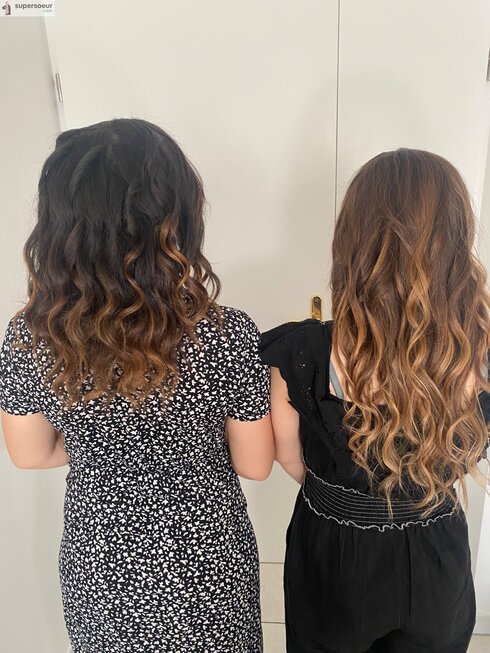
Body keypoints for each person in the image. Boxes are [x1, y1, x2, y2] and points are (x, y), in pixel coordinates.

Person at [0, 118, 274, 652]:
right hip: (207, 576)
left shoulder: (32, 337)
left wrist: (103, 448)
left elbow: (30, 454)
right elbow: (256, 463)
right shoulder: (226, 334)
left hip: (101, 575)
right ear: (175, 220)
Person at [260, 149, 490, 653]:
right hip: (436, 555)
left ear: (352, 244)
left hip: (333, 557)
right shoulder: (477, 351)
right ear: (455, 241)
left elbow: (290, 458)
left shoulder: (303, 351)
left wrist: (350, 498)